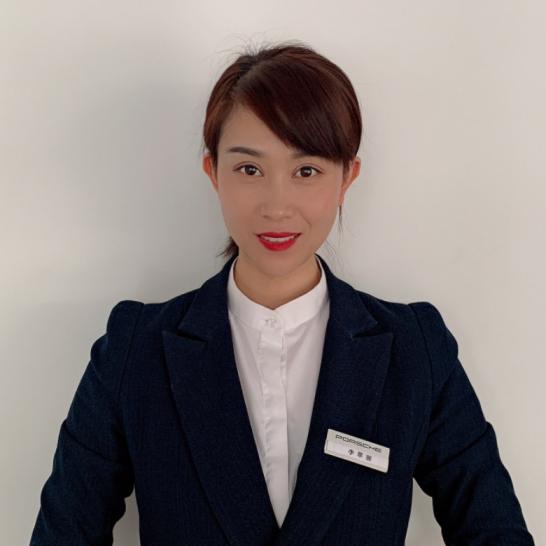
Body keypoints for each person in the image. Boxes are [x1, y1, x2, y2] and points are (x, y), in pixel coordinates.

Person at [29, 41, 534, 545]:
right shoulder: (135, 349)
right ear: (213, 172)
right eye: (249, 169)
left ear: (347, 177)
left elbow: (494, 531)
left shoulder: (414, 349)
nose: (277, 206)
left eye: (306, 171)